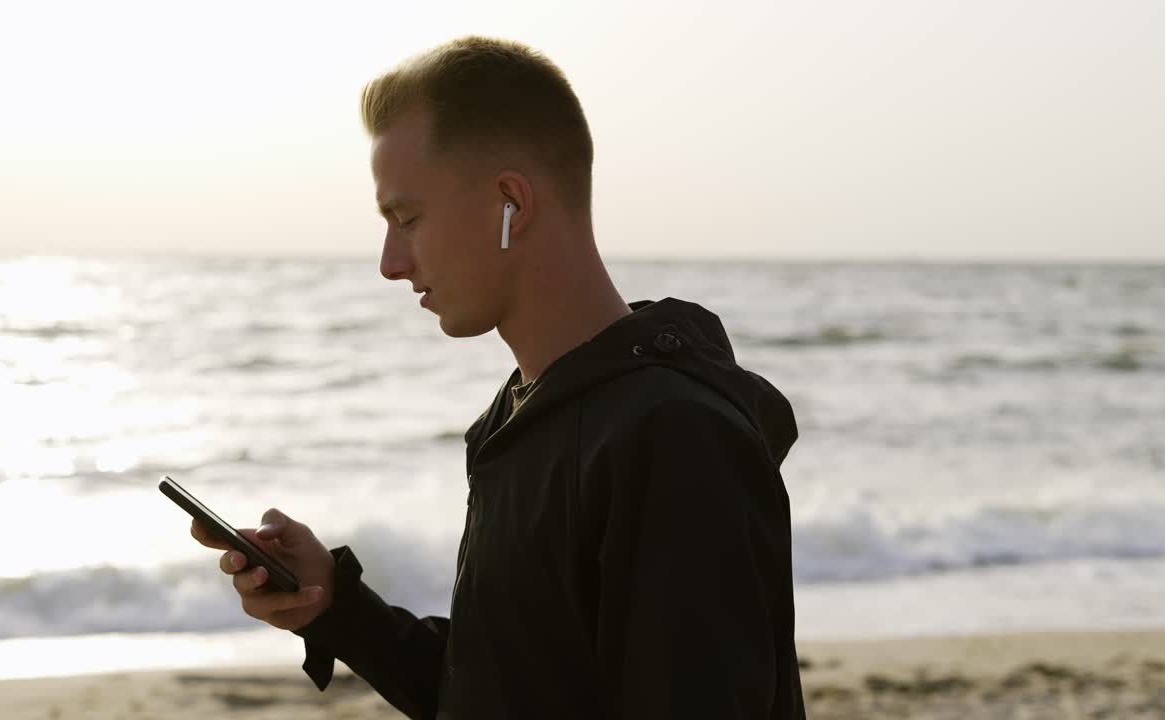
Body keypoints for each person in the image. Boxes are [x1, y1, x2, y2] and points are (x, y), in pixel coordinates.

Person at [189, 34, 805, 719]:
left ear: (510, 201)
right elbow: (500, 689)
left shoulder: (674, 438)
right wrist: (335, 603)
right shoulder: (515, 422)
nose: (391, 262)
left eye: (408, 218)